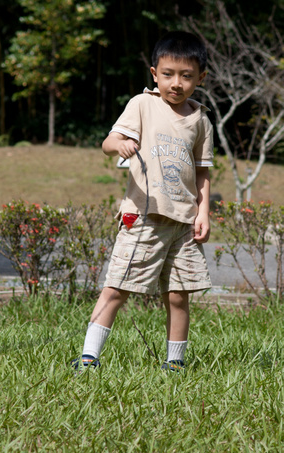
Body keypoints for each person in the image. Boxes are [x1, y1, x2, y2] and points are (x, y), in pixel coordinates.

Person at [73, 31, 213, 373]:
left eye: (186, 76)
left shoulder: (201, 120)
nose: (176, 83)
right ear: (154, 73)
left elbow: (203, 172)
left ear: (201, 78)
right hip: (144, 215)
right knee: (117, 288)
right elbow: (109, 141)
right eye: (168, 74)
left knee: (179, 295)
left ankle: (175, 363)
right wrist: (118, 145)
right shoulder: (142, 104)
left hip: (183, 221)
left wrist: (204, 212)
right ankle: (89, 357)